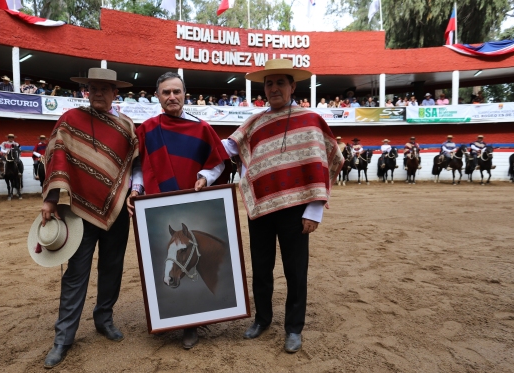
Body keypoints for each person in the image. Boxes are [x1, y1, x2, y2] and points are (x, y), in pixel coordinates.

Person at [220, 59, 343, 354]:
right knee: (261, 268)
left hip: (296, 210)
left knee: (295, 271)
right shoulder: (255, 123)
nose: (274, 88)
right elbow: (229, 147)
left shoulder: (310, 120)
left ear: (292, 86)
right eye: (269, 83)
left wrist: (314, 210)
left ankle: (293, 328)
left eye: (280, 83)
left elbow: (322, 163)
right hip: (261, 208)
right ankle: (262, 319)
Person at [39, 67, 138, 369]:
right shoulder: (71, 120)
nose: (97, 93)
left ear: (114, 94)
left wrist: (134, 191)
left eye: (104, 89)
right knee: (75, 273)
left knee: (112, 268)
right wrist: (50, 199)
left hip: (117, 212)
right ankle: (63, 337)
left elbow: (133, 166)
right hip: (79, 211)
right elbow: (56, 156)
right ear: (87, 91)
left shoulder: (126, 128)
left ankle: (103, 318)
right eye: (93, 88)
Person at [126, 71, 228, 350]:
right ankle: (166, 317)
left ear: (185, 95)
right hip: (156, 203)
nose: (172, 97)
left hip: (190, 199)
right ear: (157, 96)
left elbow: (218, 161)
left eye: (176, 92)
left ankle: (190, 324)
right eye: (166, 92)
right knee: (163, 259)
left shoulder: (203, 129)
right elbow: (138, 165)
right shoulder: (146, 129)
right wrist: (136, 190)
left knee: (188, 258)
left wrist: (206, 176)